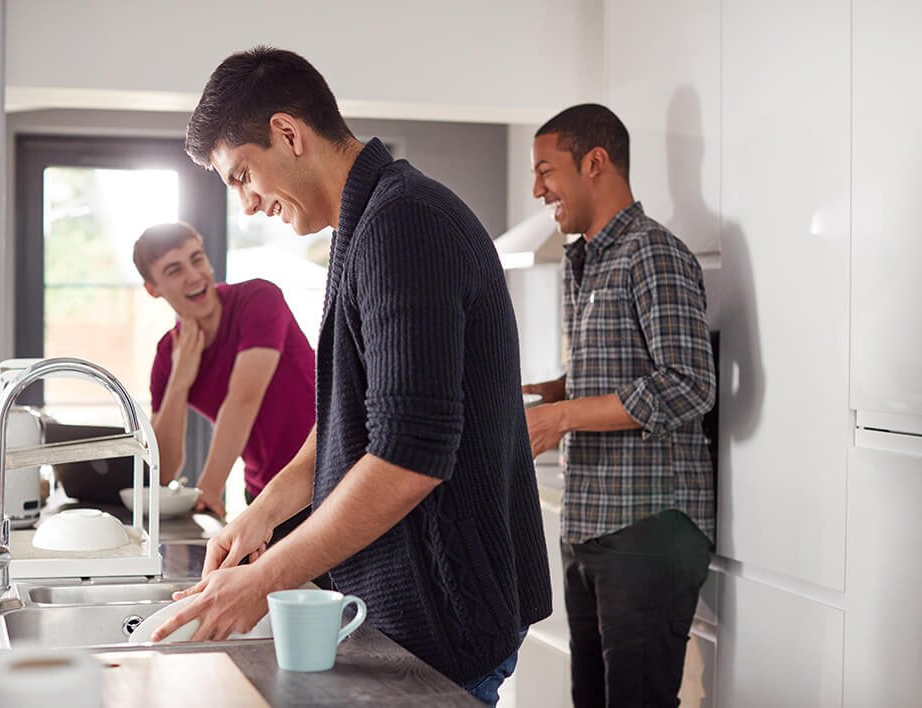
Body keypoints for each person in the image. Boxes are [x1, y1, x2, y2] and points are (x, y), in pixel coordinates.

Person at [150, 46, 552, 705]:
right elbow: (354, 419)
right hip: (412, 616)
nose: (248, 205)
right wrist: (263, 515)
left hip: (442, 622)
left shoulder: (405, 225)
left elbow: (408, 459)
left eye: (243, 175)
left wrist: (264, 581)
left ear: (288, 132)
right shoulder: (366, 224)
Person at [523, 104, 716, 707]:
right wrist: (552, 392)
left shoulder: (652, 252)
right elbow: (625, 368)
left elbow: (689, 383)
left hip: (648, 529)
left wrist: (560, 418)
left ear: (595, 162)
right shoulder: (586, 260)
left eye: (546, 170)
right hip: (592, 526)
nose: (537, 189)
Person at [133, 221, 315, 532]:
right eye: (174, 270)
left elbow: (243, 401)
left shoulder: (258, 299)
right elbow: (163, 470)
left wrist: (210, 489)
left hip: (322, 478)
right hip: (262, 493)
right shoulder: (169, 353)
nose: (193, 275)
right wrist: (180, 381)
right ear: (153, 289)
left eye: (197, 258)